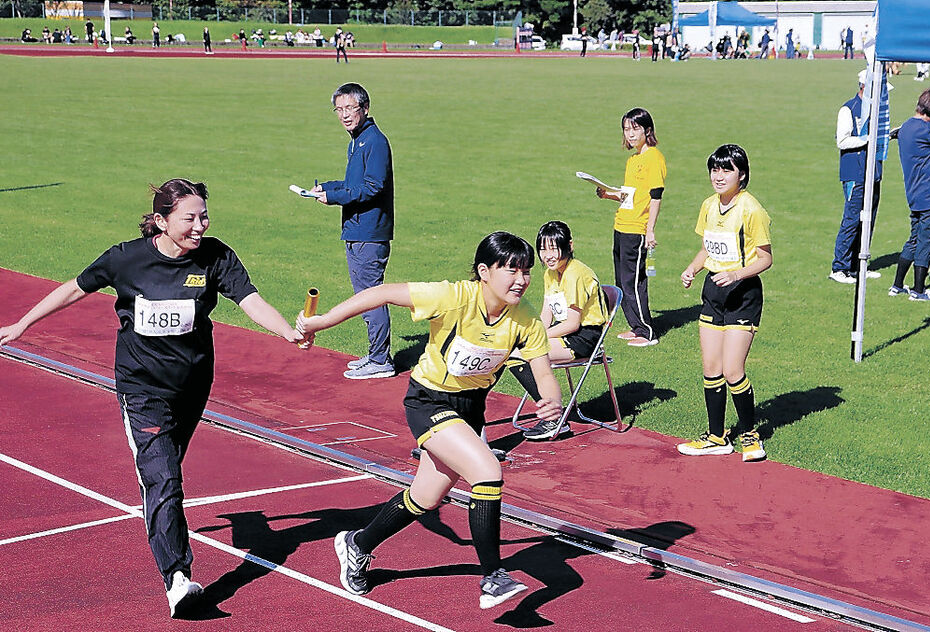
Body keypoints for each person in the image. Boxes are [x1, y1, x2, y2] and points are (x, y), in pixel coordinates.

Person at [0, 178, 303, 617]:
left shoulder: (216, 255)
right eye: (189, 218)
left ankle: (171, 511)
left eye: (204, 216)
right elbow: (74, 287)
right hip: (142, 389)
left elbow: (250, 301)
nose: (200, 225)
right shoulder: (127, 259)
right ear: (161, 221)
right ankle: (177, 578)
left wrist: (287, 332)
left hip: (194, 384)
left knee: (166, 469)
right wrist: (22, 325)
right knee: (164, 478)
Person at [295, 231, 563, 610]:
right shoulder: (453, 297)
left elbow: (543, 370)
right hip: (428, 401)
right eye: (511, 270)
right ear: (484, 272)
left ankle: (356, 544)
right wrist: (322, 321)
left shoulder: (525, 318)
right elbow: (381, 293)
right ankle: (492, 578)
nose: (521, 279)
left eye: (526, 271)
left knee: (427, 496)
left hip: (471, 408)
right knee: (487, 472)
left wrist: (550, 400)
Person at [677, 145, 772, 462]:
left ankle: (750, 434)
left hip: (742, 294)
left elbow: (765, 259)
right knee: (711, 368)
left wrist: (736, 275)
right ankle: (717, 437)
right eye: (715, 170)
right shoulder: (708, 205)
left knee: (733, 370)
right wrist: (693, 268)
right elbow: (708, 248)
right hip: (713, 293)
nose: (718, 176)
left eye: (726, 170)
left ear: (741, 174)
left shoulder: (751, 210)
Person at [308, 83, 394, 378]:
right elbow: (354, 183)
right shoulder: (357, 140)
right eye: (339, 109)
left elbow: (372, 187)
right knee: (365, 295)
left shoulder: (374, 141)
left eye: (350, 108)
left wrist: (333, 198)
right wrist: (327, 188)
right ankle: (376, 354)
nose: (344, 115)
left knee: (370, 296)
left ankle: (381, 360)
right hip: (358, 229)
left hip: (369, 232)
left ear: (365, 109)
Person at [510, 221, 608, 441]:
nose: (548, 255)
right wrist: (533, 333)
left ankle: (554, 418)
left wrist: (537, 339)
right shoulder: (550, 274)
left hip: (583, 337)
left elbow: (573, 324)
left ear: (569, 246)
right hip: (563, 332)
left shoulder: (576, 274)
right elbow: (547, 314)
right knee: (514, 351)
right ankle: (553, 415)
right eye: (543, 249)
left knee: (522, 355)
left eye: (554, 248)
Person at [596, 107, 665, 347]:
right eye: (626, 129)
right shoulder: (633, 160)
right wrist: (607, 195)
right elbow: (631, 196)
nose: (630, 134)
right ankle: (636, 327)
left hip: (637, 229)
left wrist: (650, 229)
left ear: (647, 130)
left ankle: (647, 333)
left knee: (634, 281)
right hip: (621, 225)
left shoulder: (653, 158)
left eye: (635, 128)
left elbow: (655, 196)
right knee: (622, 280)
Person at [830, 70, 884, 285]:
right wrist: (866, 139)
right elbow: (842, 141)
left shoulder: (878, 111)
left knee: (868, 220)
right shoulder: (848, 109)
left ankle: (858, 265)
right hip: (855, 173)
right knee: (851, 220)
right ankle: (839, 267)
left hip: (873, 173)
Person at [889, 88, 930, 301]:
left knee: (914, 239)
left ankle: (898, 284)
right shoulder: (926, 131)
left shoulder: (907, 126)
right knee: (926, 241)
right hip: (929, 195)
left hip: (914, 193)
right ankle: (918, 290)